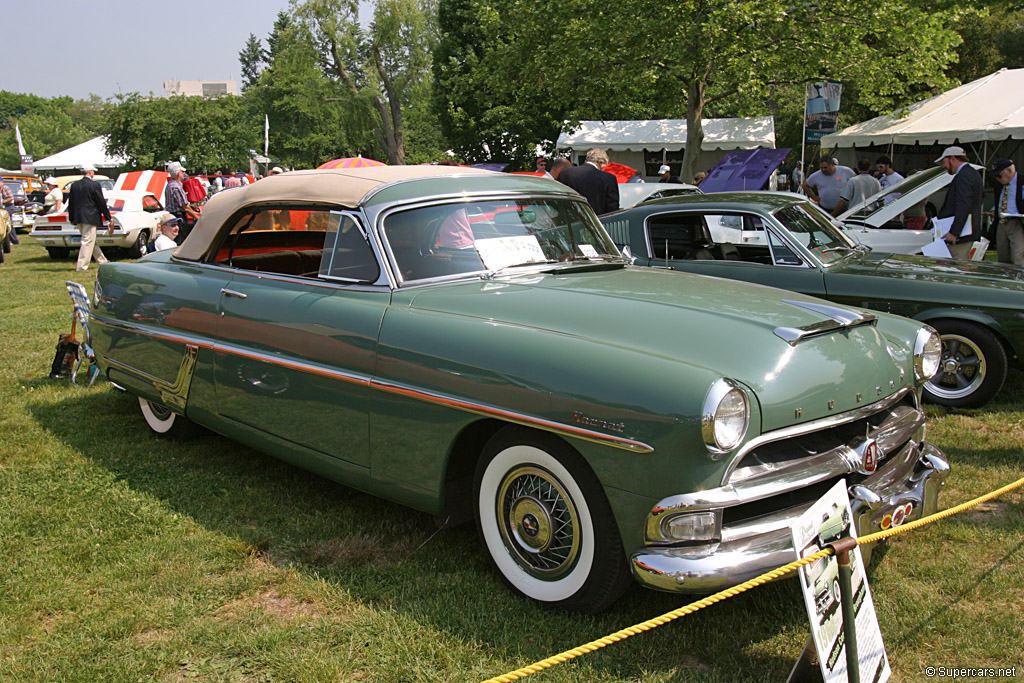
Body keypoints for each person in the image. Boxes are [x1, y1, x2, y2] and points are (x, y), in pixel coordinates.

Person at [935, 146, 984, 260]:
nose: (944, 166)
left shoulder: (963, 176)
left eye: (944, 162)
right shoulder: (973, 173)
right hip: (966, 233)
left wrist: (954, 232)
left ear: (952, 158)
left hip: (961, 236)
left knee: (956, 267)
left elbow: (963, 205)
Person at [67, 163, 112, 271]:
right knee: (88, 241)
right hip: (90, 216)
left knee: (91, 240)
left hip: (79, 217)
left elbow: (71, 203)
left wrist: (72, 217)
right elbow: (100, 202)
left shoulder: (75, 185)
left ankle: (102, 261)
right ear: (90, 172)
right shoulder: (94, 185)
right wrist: (108, 217)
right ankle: (82, 266)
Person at [557, 148, 619, 215]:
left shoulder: (565, 173)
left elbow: (559, 200)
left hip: (570, 220)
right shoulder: (608, 178)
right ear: (601, 163)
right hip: (597, 221)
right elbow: (612, 209)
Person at [991, 158, 1024, 265]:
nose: (997, 179)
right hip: (1002, 221)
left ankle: (1019, 279)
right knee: (1002, 254)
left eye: (999, 175)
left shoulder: (1022, 181)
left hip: (1017, 222)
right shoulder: (999, 185)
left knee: (1018, 254)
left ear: (1009, 171)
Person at [164, 162, 200, 244]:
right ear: (178, 173)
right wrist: (197, 217)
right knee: (180, 240)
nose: (184, 173)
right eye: (182, 171)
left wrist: (192, 207)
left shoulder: (171, 184)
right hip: (178, 217)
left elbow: (180, 203)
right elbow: (185, 207)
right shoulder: (176, 187)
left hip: (174, 215)